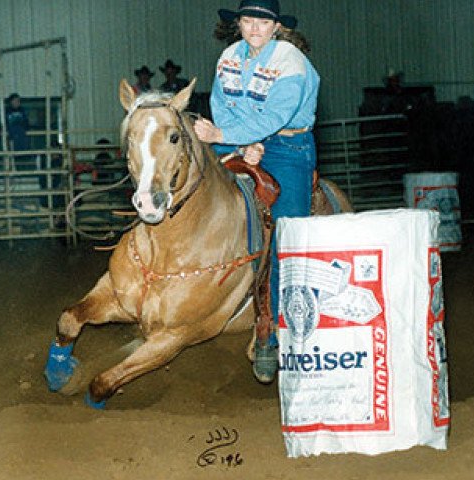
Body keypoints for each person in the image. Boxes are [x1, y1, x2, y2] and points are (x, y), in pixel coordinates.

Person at [193, 0, 319, 383]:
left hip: (289, 146)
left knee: (286, 233)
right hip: (240, 139)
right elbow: (224, 107)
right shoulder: (229, 57)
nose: (253, 28)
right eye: (247, 21)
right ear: (239, 25)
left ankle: (272, 329)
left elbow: (277, 115)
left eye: (261, 22)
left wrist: (230, 136)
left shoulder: (291, 62)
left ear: (276, 27)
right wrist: (235, 147)